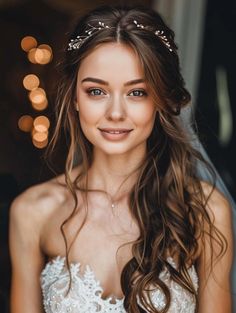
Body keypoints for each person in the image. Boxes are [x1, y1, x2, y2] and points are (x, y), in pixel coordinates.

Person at [9, 4, 234, 313]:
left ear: (162, 99)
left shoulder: (205, 211)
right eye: (96, 92)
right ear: (74, 97)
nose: (115, 113)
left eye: (137, 92)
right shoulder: (33, 213)